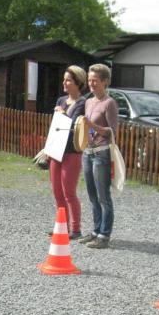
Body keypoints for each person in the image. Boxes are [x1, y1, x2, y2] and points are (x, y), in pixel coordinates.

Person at [79, 64, 118, 249]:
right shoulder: (88, 101)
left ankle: (104, 235)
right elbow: (86, 126)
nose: (91, 84)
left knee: (103, 196)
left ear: (105, 82)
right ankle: (96, 230)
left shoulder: (109, 103)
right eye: (89, 80)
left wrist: (93, 126)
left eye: (95, 80)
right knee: (92, 195)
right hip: (87, 152)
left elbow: (112, 132)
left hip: (101, 153)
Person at [49, 65, 88, 239]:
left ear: (78, 83)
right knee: (57, 192)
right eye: (64, 80)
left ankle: (76, 229)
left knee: (69, 192)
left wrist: (63, 113)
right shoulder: (61, 100)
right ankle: (62, 226)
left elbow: (74, 125)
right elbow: (56, 126)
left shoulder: (83, 103)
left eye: (68, 80)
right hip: (56, 150)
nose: (64, 83)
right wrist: (48, 148)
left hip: (72, 152)